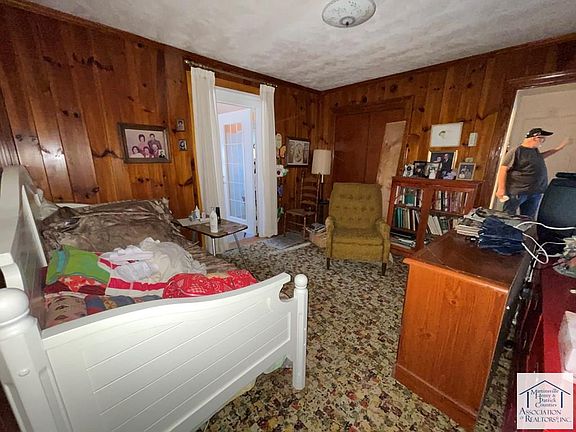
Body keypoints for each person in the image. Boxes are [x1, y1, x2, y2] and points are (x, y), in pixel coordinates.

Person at [496, 128, 571, 218]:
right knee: (508, 216)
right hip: (518, 192)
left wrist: (560, 148)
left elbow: (541, 156)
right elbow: (503, 169)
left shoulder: (534, 151)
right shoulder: (516, 151)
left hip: (535, 192)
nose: (543, 141)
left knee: (528, 218)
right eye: (542, 139)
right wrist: (501, 188)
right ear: (535, 138)